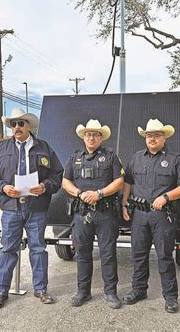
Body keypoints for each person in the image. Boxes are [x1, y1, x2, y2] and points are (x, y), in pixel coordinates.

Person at [0, 108, 63, 309]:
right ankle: (1, 291)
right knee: (8, 249)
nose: (17, 127)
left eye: (21, 123)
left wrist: (45, 186)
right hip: (11, 208)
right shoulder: (2, 148)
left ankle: (41, 289)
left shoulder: (44, 147)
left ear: (29, 126)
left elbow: (57, 174)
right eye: (13, 124)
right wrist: (3, 187)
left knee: (38, 249)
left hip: (36, 208)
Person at [121, 119, 180, 313]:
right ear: (145, 138)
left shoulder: (175, 159)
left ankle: (170, 297)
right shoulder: (136, 158)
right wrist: (124, 203)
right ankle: (139, 290)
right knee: (138, 255)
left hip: (162, 215)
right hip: (139, 215)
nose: (152, 139)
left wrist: (166, 196)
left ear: (164, 137)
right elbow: (127, 181)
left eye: (156, 135)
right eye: (149, 135)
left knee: (164, 257)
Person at [62, 119, 124, 309]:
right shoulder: (74, 158)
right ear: (83, 137)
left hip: (105, 214)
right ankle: (83, 292)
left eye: (95, 135)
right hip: (81, 214)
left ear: (101, 138)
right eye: (88, 134)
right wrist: (80, 193)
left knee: (108, 254)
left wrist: (99, 194)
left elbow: (120, 181)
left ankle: (111, 292)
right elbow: (65, 182)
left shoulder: (111, 157)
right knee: (82, 254)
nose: (91, 137)